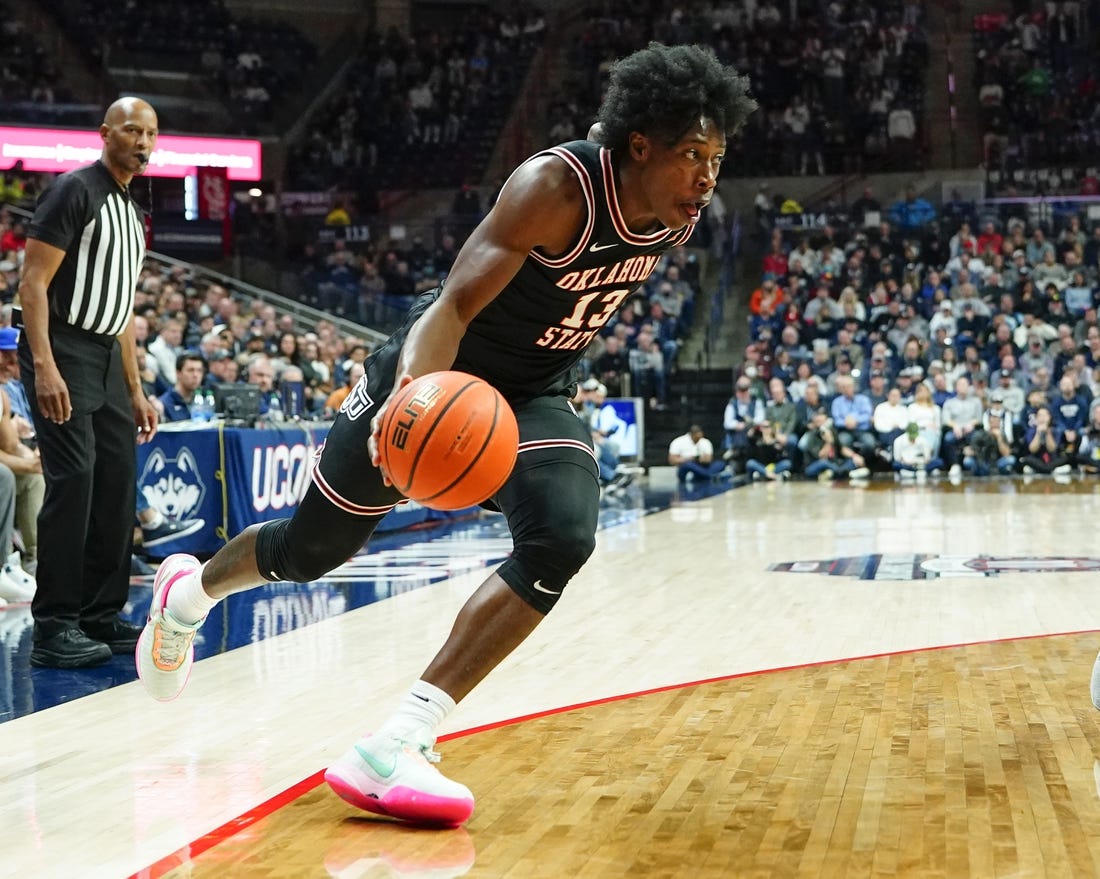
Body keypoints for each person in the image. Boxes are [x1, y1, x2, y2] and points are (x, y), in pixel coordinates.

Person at [135, 45, 756, 825]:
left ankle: (399, 739)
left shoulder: (673, 215)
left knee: (564, 535)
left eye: (718, 158)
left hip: (530, 394)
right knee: (310, 551)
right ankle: (187, 593)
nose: (707, 176)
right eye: (693, 156)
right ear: (640, 146)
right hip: (440, 373)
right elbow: (453, 309)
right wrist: (411, 405)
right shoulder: (556, 187)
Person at [17, 97, 159, 668]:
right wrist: (45, 363)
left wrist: (135, 388)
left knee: (117, 484)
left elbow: (121, 310)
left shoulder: (133, 213)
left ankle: (101, 615)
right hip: (63, 347)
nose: (142, 141)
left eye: (150, 133)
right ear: (105, 134)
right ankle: (55, 625)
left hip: (103, 353)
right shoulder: (74, 190)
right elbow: (31, 284)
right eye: (131, 130)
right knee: (74, 479)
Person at [157, 352, 207, 423]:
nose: (196, 375)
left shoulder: (203, 402)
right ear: (178, 373)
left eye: (199, 371)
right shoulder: (164, 404)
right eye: (190, 370)